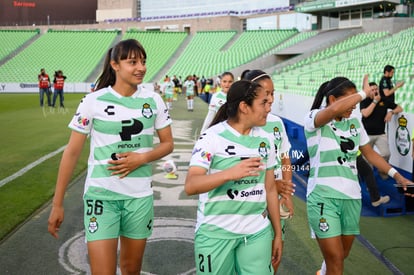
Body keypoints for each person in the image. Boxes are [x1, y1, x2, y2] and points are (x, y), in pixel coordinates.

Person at [47, 39, 174, 274]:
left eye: (143, 62)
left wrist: (142, 158)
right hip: (101, 196)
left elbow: (168, 144)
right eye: (132, 62)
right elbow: (72, 152)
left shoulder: (153, 100)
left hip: (139, 197)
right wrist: (57, 204)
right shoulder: (93, 101)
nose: (141, 67)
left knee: (130, 270)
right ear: (115, 65)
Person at [304, 76, 412, 275]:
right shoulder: (314, 118)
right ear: (333, 99)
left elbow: (369, 153)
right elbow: (333, 111)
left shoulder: (354, 121)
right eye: (351, 100)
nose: (355, 106)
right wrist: (363, 94)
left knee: (340, 256)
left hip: (352, 198)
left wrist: (397, 175)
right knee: (336, 261)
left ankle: (322, 272)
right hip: (323, 197)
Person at [185, 80, 283, 274]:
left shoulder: (267, 139)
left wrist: (277, 233)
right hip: (215, 232)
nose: (268, 108)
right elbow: (191, 185)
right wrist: (231, 173)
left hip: (257, 231)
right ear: (244, 107)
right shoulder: (211, 137)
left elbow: (270, 189)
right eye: (263, 103)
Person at [243, 69, 295, 273]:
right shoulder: (235, 125)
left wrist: (287, 194)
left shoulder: (276, 123)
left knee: (274, 254)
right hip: (249, 200)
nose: (271, 99)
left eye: (273, 93)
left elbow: (285, 158)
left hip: (275, 197)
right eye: (267, 94)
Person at [360, 80, 403, 178]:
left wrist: (391, 112)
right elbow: (365, 113)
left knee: (386, 154)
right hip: (366, 135)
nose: (375, 91)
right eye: (372, 90)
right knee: (366, 159)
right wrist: (375, 101)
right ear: (368, 91)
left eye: (376, 89)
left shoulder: (384, 100)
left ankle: (382, 170)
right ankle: (368, 177)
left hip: (380, 134)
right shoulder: (364, 101)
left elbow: (399, 108)